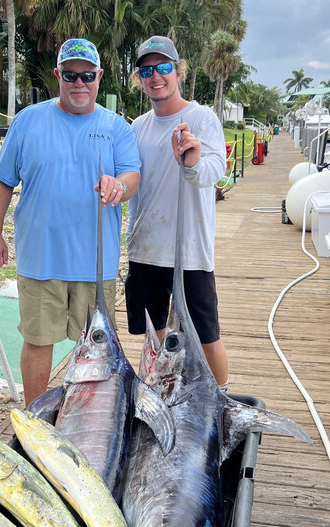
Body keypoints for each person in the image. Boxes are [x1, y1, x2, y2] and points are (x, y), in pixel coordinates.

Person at [0, 38, 141, 405]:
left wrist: (118, 185)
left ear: (100, 77)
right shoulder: (27, 121)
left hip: (95, 263)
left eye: (87, 75)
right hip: (41, 259)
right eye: (70, 75)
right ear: (58, 75)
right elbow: (2, 180)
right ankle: (37, 417)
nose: (79, 83)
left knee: (98, 348)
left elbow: (133, 175)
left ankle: (93, 421)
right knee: (38, 341)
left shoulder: (116, 127)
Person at [125, 35, 229, 388]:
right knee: (155, 339)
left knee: (206, 337)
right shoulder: (136, 127)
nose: (156, 76)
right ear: (140, 77)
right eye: (147, 70)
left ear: (179, 71)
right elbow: (129, 182)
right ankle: (162, 395)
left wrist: (194, 159)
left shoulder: (201, 117)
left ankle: (221, 403)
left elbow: (215, 170)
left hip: (190, 253)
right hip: (146, 250)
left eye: (164, 68)